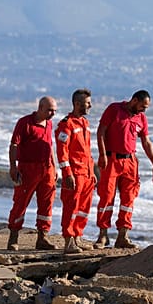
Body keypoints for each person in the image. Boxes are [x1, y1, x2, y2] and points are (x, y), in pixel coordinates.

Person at [95, 90, 153, 249]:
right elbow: (101, 132)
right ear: (134, 100)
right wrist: (102, 155)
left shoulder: (141, 118)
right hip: (111, 160)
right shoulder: (114, 109)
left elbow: (146, 142)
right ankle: (103, 235)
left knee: (128, 199)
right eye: (142, 106)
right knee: (106, 198)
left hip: (130, 162)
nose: (144, 110)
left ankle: (123, 235)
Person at [6, 97, 59, 251]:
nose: (52, 114)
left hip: (47, 169)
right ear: (40, 108)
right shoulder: (25, 122)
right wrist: (13, 166)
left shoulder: (49, 124)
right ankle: (13, 237)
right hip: (28, 168)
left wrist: (54, 168)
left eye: (54, 111)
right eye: (50, 110)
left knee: (47, 203)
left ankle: (42, 237)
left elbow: (50, 146)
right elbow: (14, 144)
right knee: (21, 202)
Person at [55, 89, 96, 253]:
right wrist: (67, 173)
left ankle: (77, 236)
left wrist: (92, 172)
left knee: (84, 208)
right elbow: (62, 152)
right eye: (87, 103)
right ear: (77, 104)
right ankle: (68, 241)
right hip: (75, 174)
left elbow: (86, 150)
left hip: (86, 173)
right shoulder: (67, 124)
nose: (90, 106)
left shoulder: (84, 123)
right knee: (71, 207)